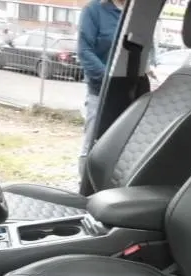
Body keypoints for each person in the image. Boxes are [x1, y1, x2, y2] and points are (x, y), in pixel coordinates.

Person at [76, 0, 125, 177]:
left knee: (121, 146)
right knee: (92, 144)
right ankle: (84, 186)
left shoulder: (137, 11)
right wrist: (108, 78)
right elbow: (84, 51)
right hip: (101, 91)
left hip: (129, 91)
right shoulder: (94, 10)